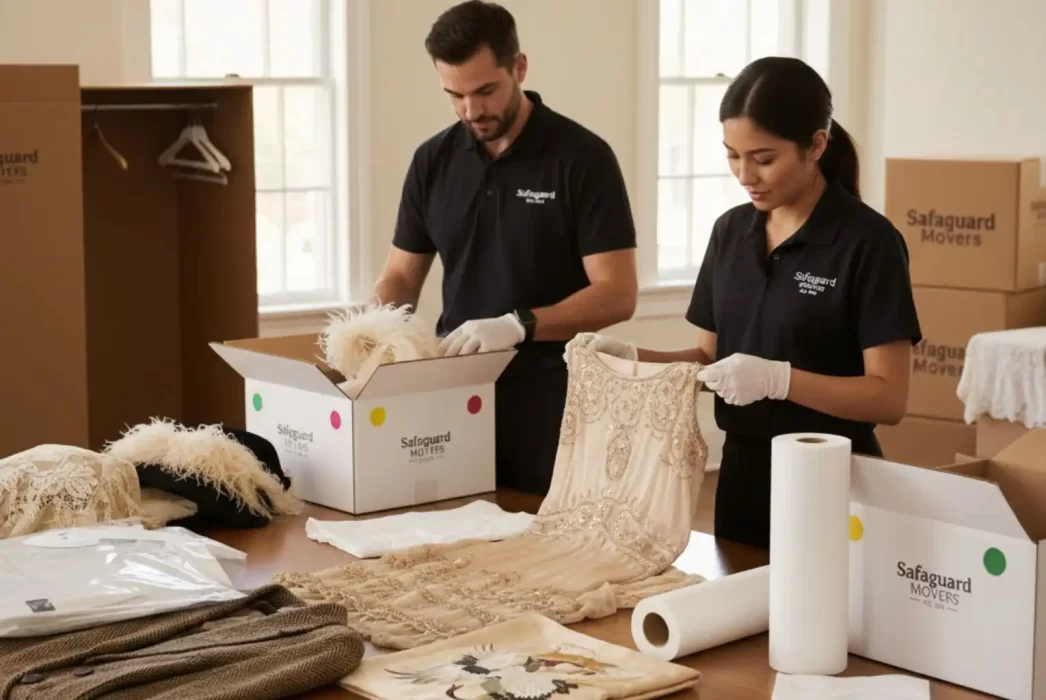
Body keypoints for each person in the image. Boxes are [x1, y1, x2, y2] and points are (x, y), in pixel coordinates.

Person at [570, 56, 922, 549]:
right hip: (742, 481)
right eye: (732, 155)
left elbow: (889, 398)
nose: (744, 175)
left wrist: (780, 380)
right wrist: (630, 360)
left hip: (832, 482)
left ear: (816, 145)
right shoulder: (731, 232)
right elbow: (712, 362)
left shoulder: (867, 243)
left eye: (763, 158)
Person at [370, 0, 639, 496]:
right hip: (455, 397)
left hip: (554, 403)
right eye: (454, 95)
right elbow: (403, 276)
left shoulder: (583, 159)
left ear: (519, 67)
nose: (472, 110)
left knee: (542, 553)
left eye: (485, 91)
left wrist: (519, 324)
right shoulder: (433, 160)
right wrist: (369, 331)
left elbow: (618, 294)